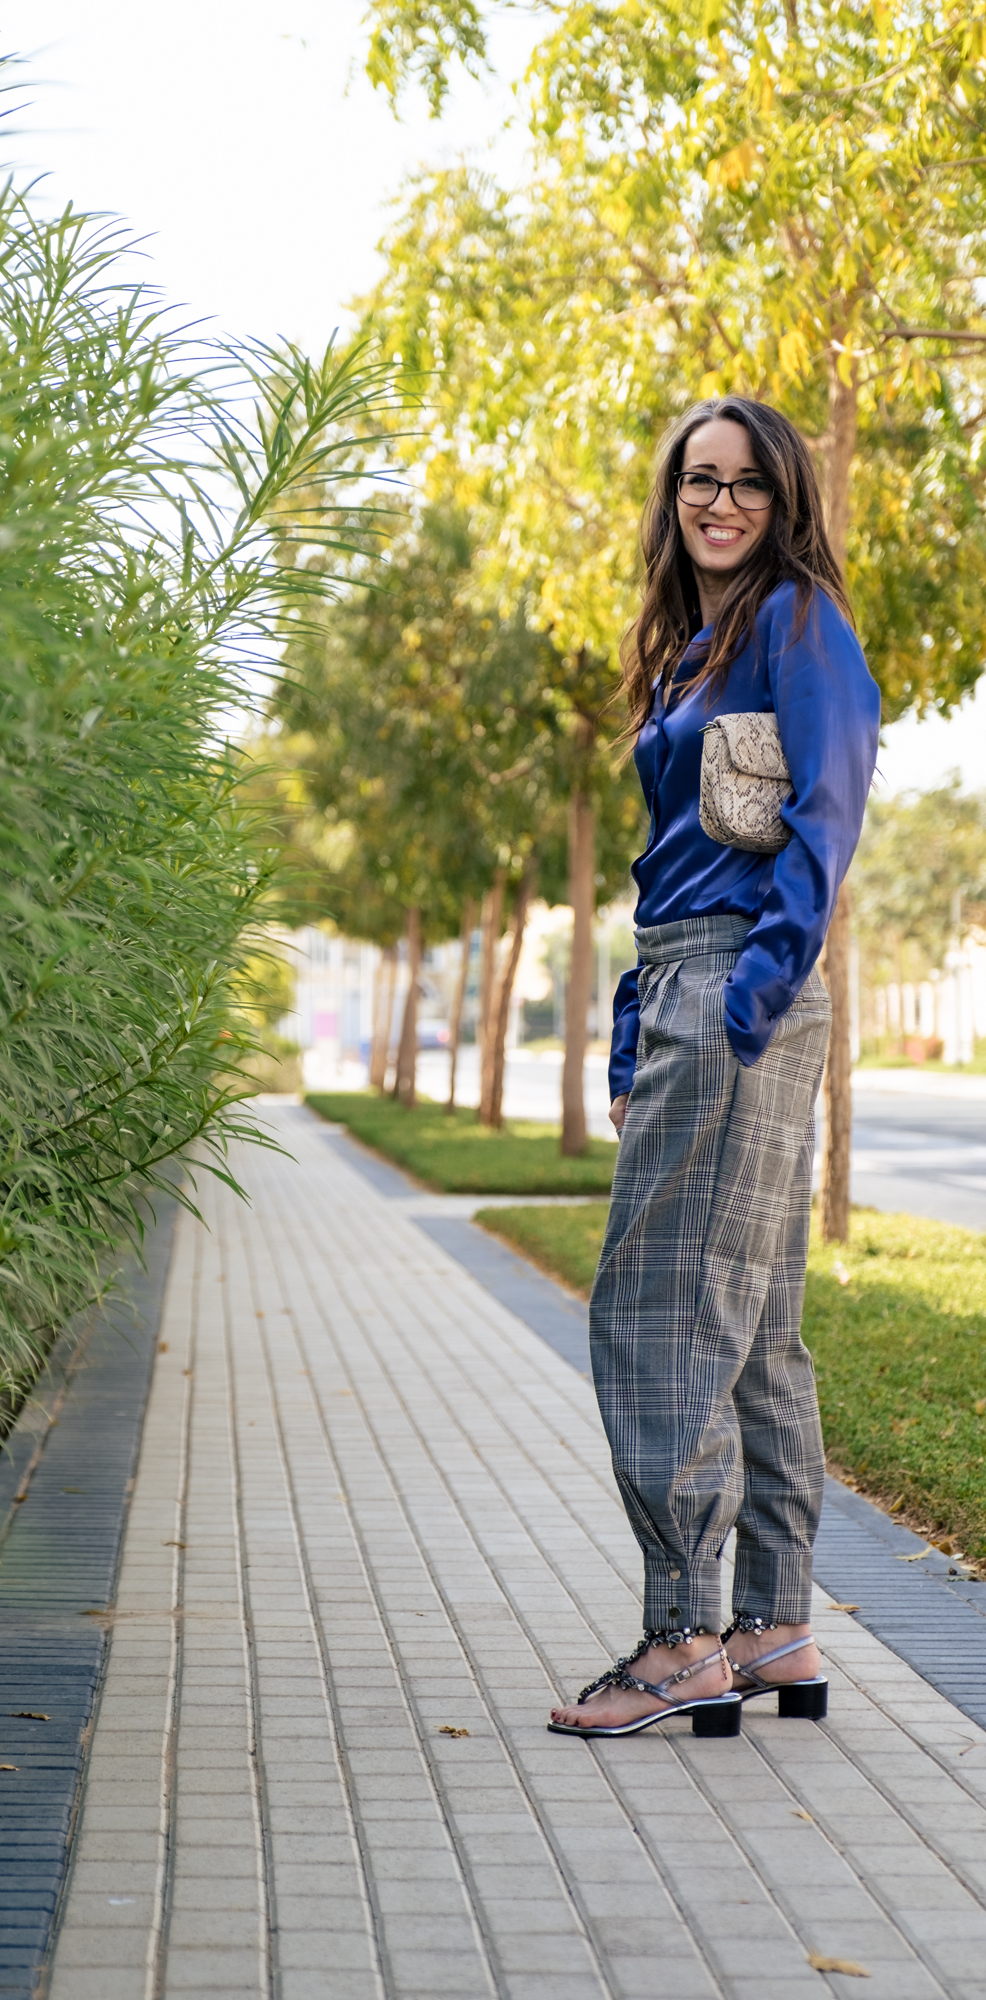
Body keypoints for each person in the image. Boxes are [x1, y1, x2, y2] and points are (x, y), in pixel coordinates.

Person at [548, 397, 880, 1740]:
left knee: (659, 1308)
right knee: (745, 1324)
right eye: (699, 479)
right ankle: (770, 1621)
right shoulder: (690, 647)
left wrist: (750, 990)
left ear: (782, 495)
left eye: (746, 482)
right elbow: (663, 860)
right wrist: (638, 1026)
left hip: (738, 982)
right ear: (672, 495)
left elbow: (828, 805)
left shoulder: (796, 622)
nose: (720, 501)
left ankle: (680, 1636)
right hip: (686, 978)